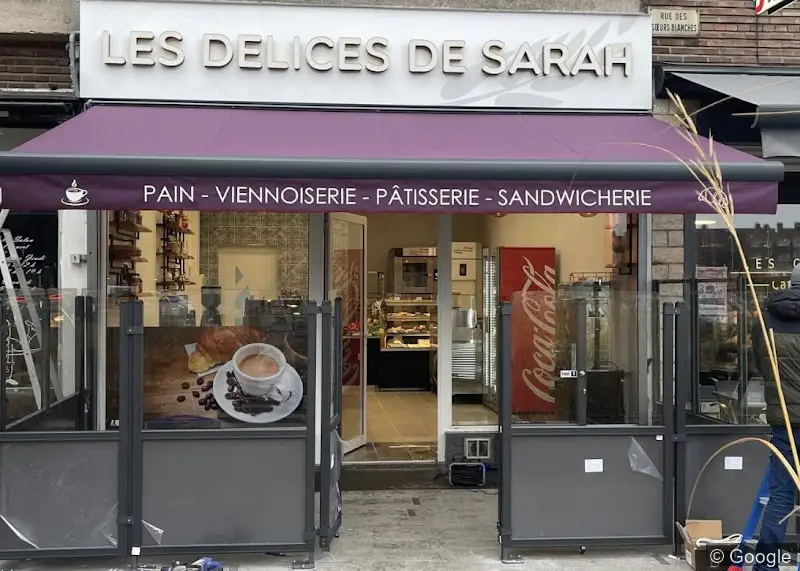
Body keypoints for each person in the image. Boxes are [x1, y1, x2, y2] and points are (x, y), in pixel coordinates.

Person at [751, 264, 800, 571]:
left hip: (785, 420)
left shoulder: (766, 316)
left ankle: (766, 566)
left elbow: (761, 362)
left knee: (781, 495)